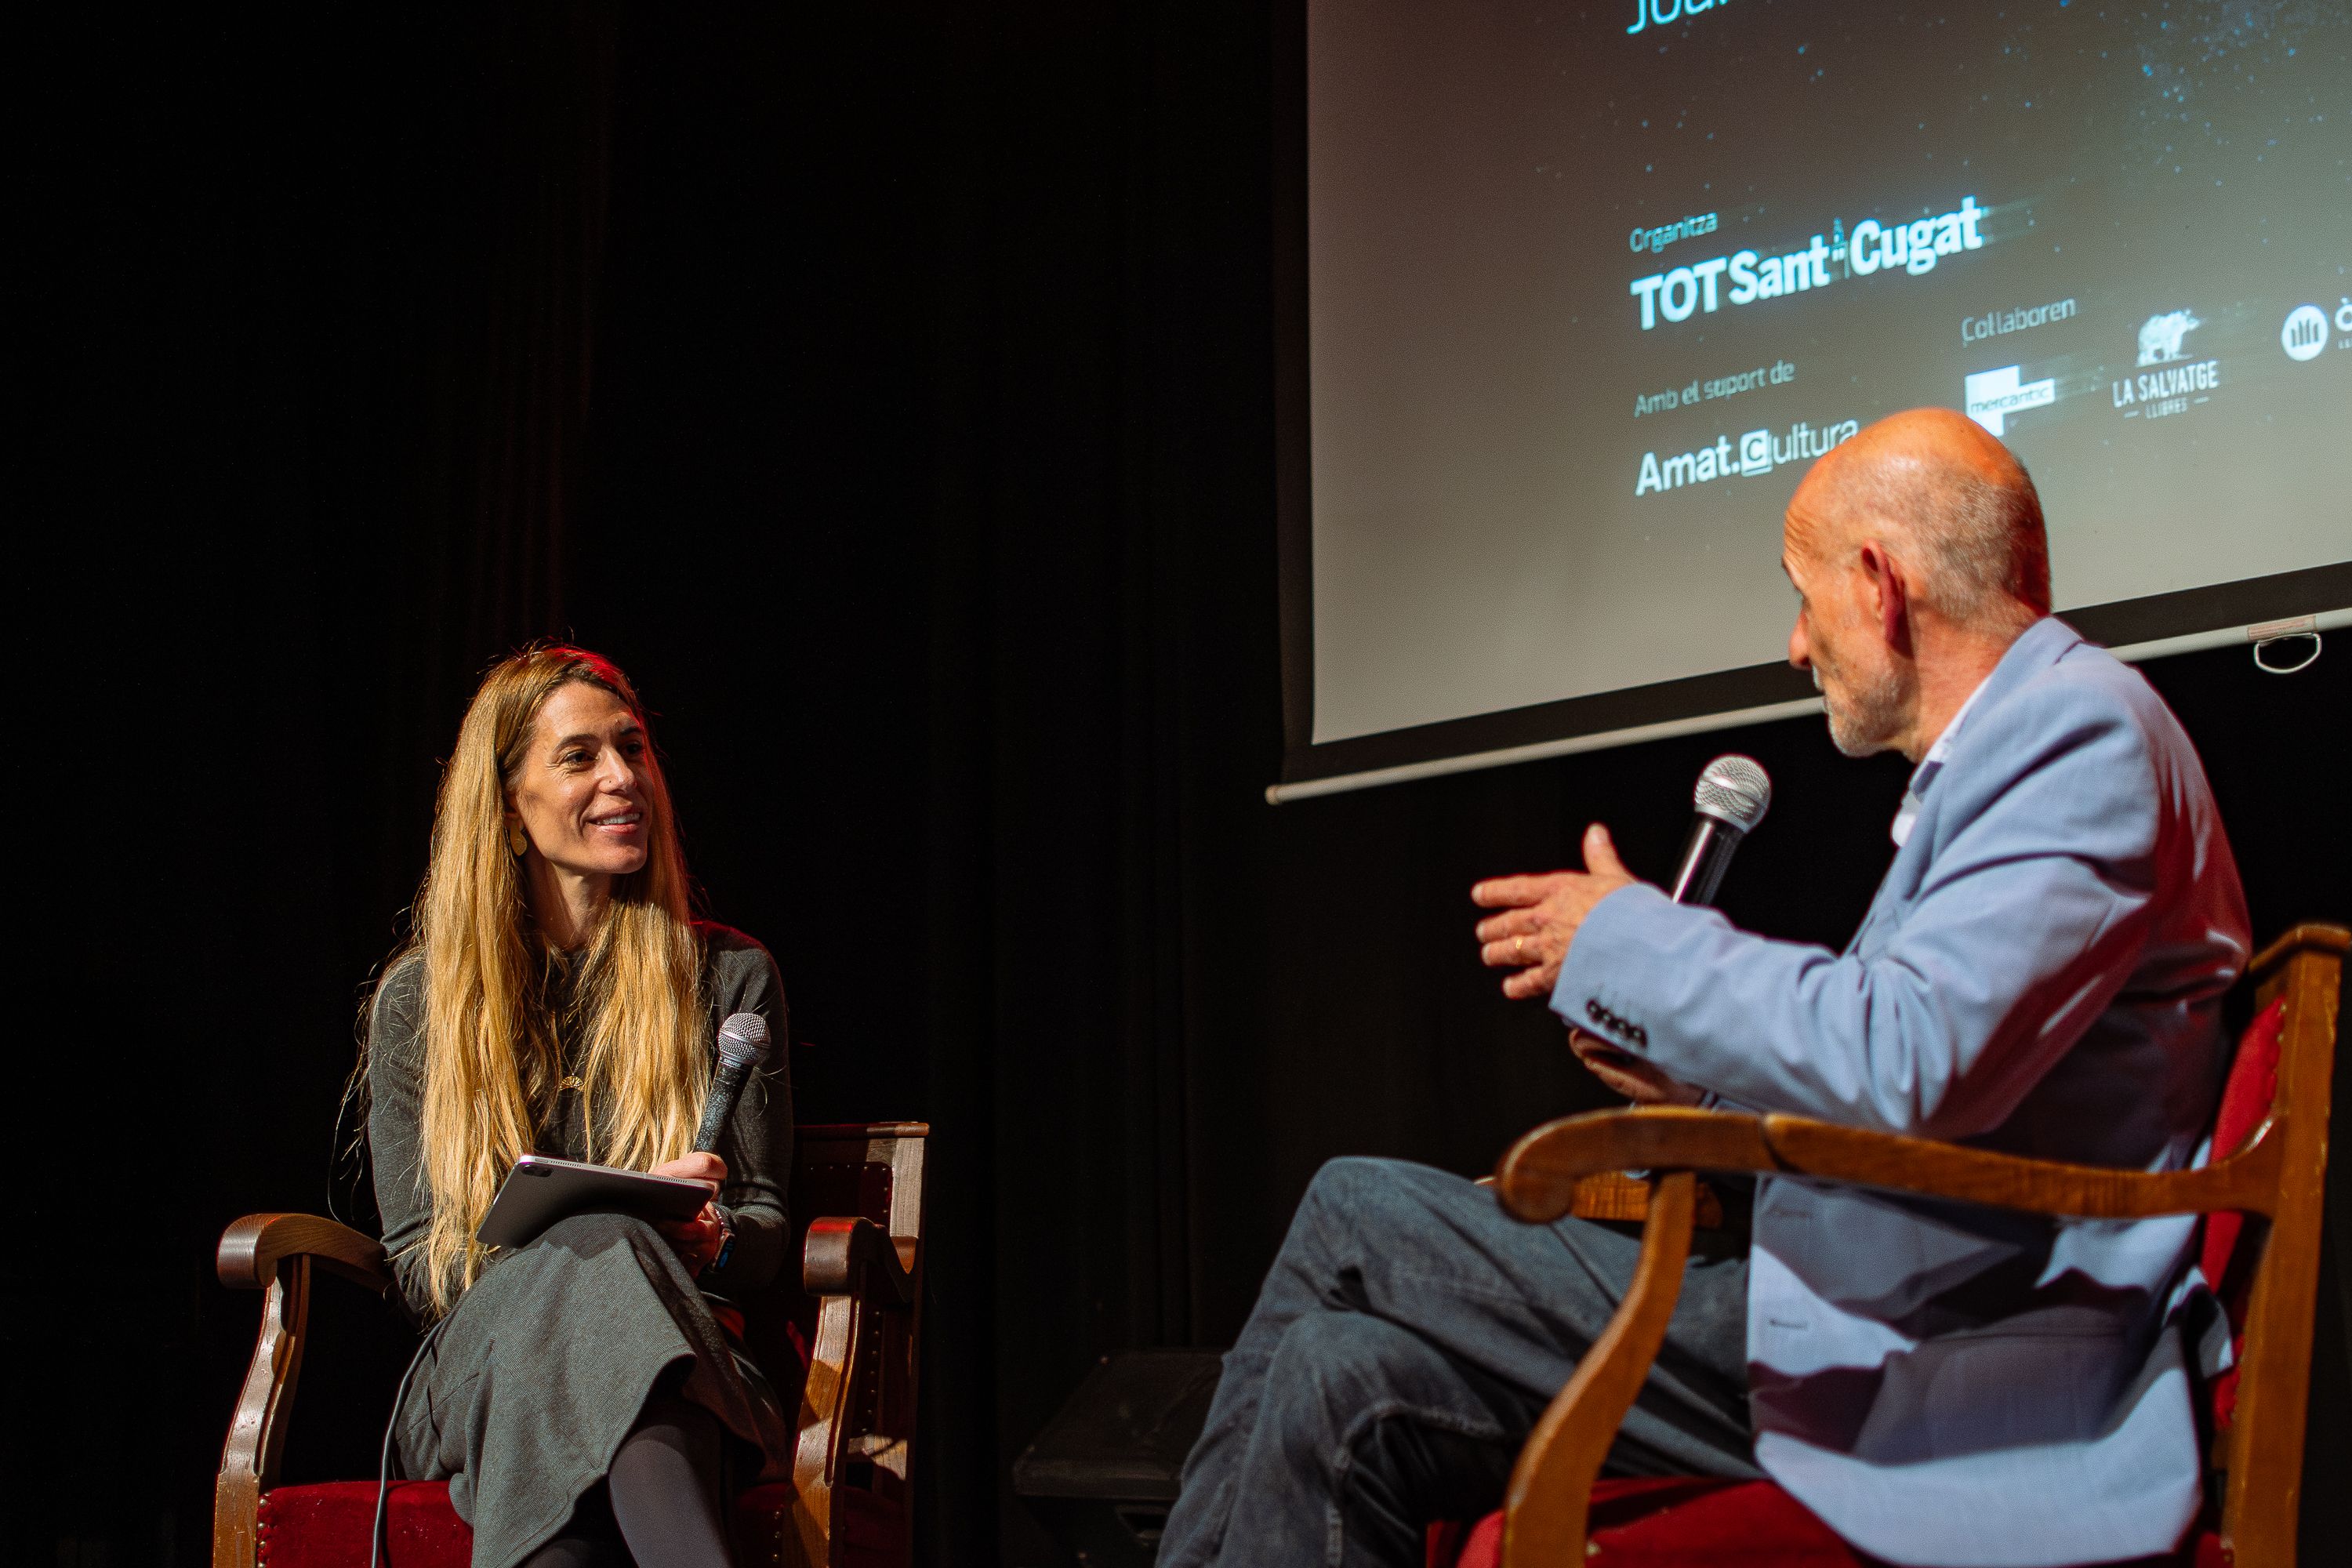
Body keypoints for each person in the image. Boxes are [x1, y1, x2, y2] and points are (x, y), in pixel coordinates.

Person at [1156, 409, 2249, 1568]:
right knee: (1342, 1377)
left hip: (1945, 1362)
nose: (1793, 643)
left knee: (1351, 1209)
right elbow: (1921, 1091)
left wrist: (1628, 941)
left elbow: (1916, 1054)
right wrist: (1695, 1081)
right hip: (1885, 1310)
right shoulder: (2021, 750)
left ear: (1880, 585)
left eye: (1802, 593)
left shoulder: (2077, 730)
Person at [366, 644, 793, 1568]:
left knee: (615, 1285)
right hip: (478, 1367)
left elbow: (761, 1233)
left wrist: (707, 1237)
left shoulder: (727, 977)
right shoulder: (419, 1003)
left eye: (632, 748)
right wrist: (578, 1248)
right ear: (509, 810)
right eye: (579, 757)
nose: (622, 777)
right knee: (600, 1251)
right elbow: (416, 1266)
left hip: (682, 1356)